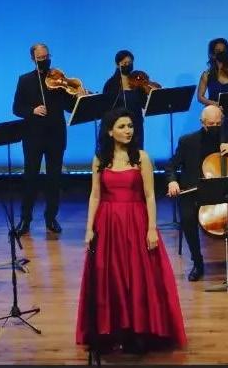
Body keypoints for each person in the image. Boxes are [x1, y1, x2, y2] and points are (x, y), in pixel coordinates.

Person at [75, 109, 186, 354]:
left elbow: (150, 195)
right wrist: (89, 228)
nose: (128, 131)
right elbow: (95, 195)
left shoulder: (141, 158)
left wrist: (152, 228)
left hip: (136, 221)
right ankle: (112, 331)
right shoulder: (100, 159)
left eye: (130, 126)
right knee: (109, 277)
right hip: (108, 223)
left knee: (137, 276)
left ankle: (138, 331)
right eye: (122, 126)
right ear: (109, 131)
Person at [165, 105, 228, 282]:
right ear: (202, 123)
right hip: (197, 193)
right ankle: (197, 262)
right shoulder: (188, 141)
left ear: (222, 121)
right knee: (187, 216)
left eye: (218, 123)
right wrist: (172, 181)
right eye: (211, 124)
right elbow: (171, 165)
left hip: (226, 191)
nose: (215, 127)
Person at [13, 43, 78, 236]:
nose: (44, 60)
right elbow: (16, 108)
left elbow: (69, 106)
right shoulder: (25, 80)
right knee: (30, 178)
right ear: (33, 59)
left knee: (54, 179)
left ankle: (51, 218)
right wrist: (32, 110)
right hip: (33, 137)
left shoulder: (59, 79)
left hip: (56, 135)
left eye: (46, 57)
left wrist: (78, 96)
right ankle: (25, 220)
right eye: (40, 58)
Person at [101, 50, 145, 147]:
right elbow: (106, 108)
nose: (128, 65)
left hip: (137, 125)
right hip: (119, 127)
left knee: (138, 152)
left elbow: (144, 103)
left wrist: (149, 91)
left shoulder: (138, 81)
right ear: (118, 65)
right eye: (125, 63)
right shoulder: (111, 84)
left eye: (130, 63)